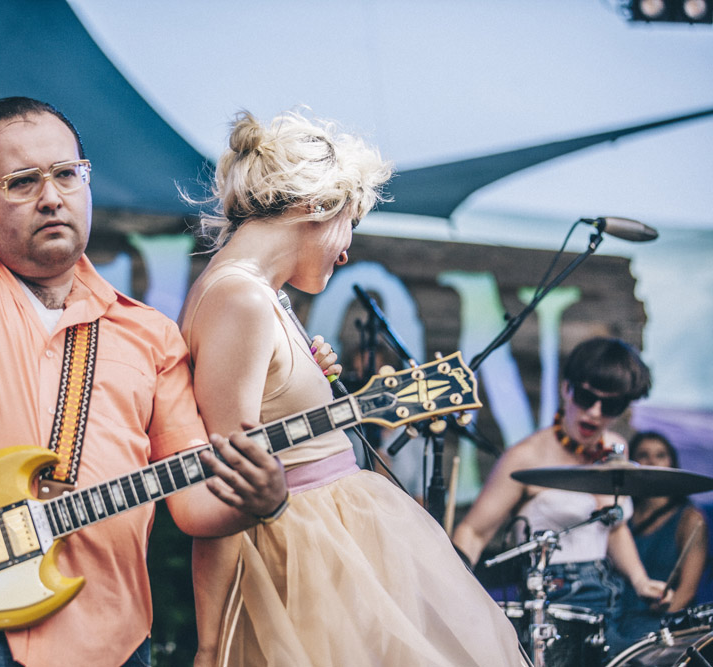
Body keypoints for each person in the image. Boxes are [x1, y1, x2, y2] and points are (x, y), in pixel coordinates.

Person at [0, 2, 287, 666]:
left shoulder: (149, 335)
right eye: (22, 181)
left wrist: (257, 499)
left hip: (108, 639)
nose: (53, 196)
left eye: (67, 174)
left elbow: (195, 503)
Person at [179, 109, 526, 667]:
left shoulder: (259, 296)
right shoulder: (239, 299)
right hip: (306, 560)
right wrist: (212, 646)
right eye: (350, 224)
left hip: (330, 546)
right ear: (312, 207)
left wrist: (303, 378)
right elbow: (229, 486)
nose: (345, 252)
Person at [453, 337, 672, 655]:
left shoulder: (614, 448)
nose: (595, 413)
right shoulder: (526, 456)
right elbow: (473, 531)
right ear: (566, 389)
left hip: (611, 595)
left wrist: (640, 581)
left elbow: (614, 526)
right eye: (586, 397)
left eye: (610, 405)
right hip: (552, 599)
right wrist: (452, 586)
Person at [614, 431, 709, 645]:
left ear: (672, 461)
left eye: (660, 455)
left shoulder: (690, 518)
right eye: (643, 455)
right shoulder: (621, 513)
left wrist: (661, 627)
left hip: (661, 627)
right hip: (616, 619)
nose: (652, 462)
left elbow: (688, 589)